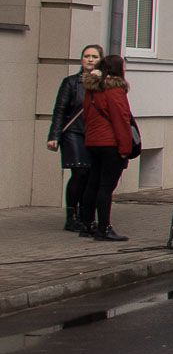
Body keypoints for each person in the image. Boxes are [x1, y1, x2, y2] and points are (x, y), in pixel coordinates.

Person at [79, 54, 136, 242]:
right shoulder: (115, 90)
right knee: (106, 187)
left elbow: (86, 115)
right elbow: (121, 120)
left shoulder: (92, 89)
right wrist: (125, 148)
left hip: (93, 141)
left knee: (92, 184)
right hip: (111, 143)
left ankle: (87, 224)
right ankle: (104, 228)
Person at [46, 43, 103, 232]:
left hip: (94, 133)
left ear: (100, 60)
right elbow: (60, 110)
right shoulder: (71, 82)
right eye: (87, 56)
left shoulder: (105, 83)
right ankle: (71, 216)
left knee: (91, 174)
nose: (90, 59)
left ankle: (85, 215)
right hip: (73, 133)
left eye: (94, 57)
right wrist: (54, 135)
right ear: (81, 59)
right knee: (79, 172)